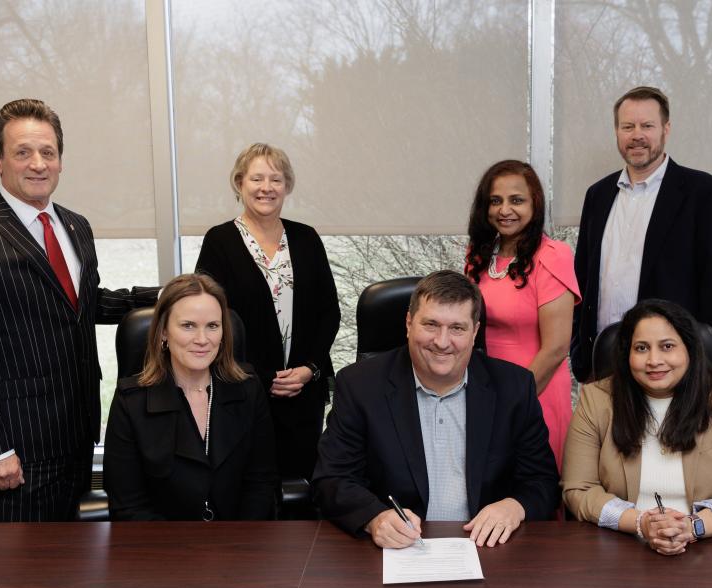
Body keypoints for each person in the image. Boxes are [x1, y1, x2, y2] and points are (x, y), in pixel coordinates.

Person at [0, 98, 159, 522]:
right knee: (27, 576)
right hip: (19, 447)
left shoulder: (75, 226)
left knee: (76, 568)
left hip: (78, 433)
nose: (38, 164)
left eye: (47, 153)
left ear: (60, 161)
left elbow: (81, 305)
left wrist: (168, 296)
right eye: (22, 152)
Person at [313, 270, 560, 549]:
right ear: (408, 323)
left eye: (457, 328)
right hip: (396, 550)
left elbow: (542, 480)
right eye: (431, 325)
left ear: (475, 331)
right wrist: (375, 518)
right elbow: (332, 478)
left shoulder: (514, 388)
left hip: (487, 549)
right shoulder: (360, 386)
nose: (442, 342)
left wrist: (515, 506)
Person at [561, 299, 712, 555]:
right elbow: (579, 489)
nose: (654, 360)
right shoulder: (596, 400)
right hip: (620, 547)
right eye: (641, 348)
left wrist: (693, 527)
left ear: (689, 350)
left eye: (667, 346)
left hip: (710, 547)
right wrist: (641, 523)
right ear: (627, 354)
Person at [195, 143, 340, 490]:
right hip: (243, 390)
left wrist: (309, 368)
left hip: (303, 389)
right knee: (253, 488)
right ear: (239, 183)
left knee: (304, 490)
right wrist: (259, 376)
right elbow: (211, 318)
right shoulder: (220, 241)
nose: (266, 187)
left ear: (287, 186)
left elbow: (329, 311)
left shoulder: (306, 238)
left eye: (276, 179)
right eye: (256, 178)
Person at [570, 86, 712, 383]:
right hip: (604, 365)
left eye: (647, 125)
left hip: (671, 370)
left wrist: (703, 365)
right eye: (628, 126)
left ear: (666, 129)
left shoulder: (707, 194)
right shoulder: (597, 195)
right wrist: (580, 354)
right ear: (617, 132)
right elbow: (582, 279)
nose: (637, 135)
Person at [103, 274, 278, 521]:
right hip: (163, 550)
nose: (202, 340)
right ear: (163, 332)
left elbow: (261, 484)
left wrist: (238, 547)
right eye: (188, 326)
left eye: (212, 326)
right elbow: (128, 507)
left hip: (239, 546)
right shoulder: (131, 401)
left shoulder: (248, 389)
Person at [466, 160, 580, 471]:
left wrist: (514, 403)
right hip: (486, 391)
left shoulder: (553, 256)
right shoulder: (478, 256)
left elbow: (556, 347)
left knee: (533, 495)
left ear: (535, 204)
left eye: (517, 200)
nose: (505, 210)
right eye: (495, 200)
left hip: (534, 393)